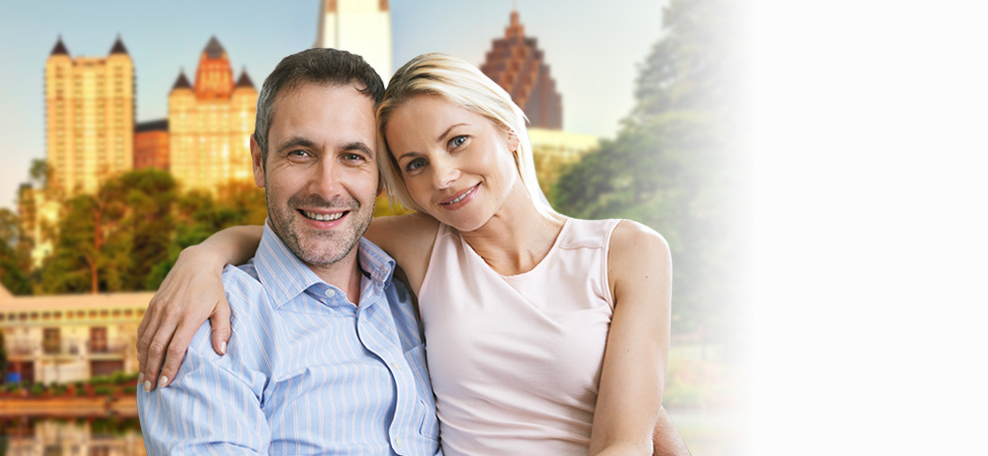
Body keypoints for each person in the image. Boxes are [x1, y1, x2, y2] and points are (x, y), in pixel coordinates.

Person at [138, 53, 684, 455]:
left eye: (458, 141)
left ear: (509, 129)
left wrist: (206, 252)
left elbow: (629, 434)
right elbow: (313, 229)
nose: (443, 176)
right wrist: (205, 255)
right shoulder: (423, 250)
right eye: (414, 164)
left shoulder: (627, 251)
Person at [137, 47, 442, 455]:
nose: (327, 186)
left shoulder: (417, 293)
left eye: (353, 157)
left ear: (381, 176)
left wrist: (207, 251)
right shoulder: (210, 327)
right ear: (260, 162)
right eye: (300, 153)